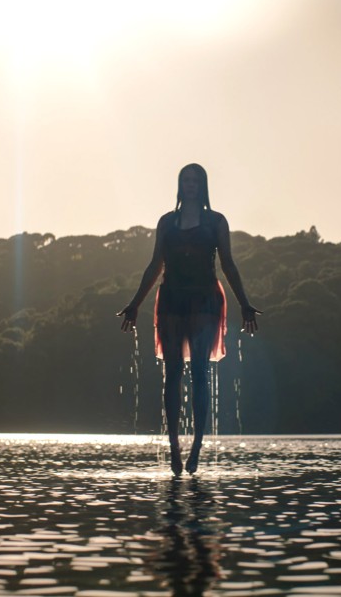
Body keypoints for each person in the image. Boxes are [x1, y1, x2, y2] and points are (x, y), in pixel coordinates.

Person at [119, 163, 260, 476]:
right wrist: (134, 303)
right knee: (172, 374)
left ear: (204, 185)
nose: (191, 184)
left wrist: (245, 304)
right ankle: (174, 449)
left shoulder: (216, 222)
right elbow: (155, 265)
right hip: (171, 300)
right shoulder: (167, 222)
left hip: (205, 301)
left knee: (199, 372)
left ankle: (196, 446)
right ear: (180, 185)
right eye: (186, 179)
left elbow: (229, 265)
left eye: (196, 180)